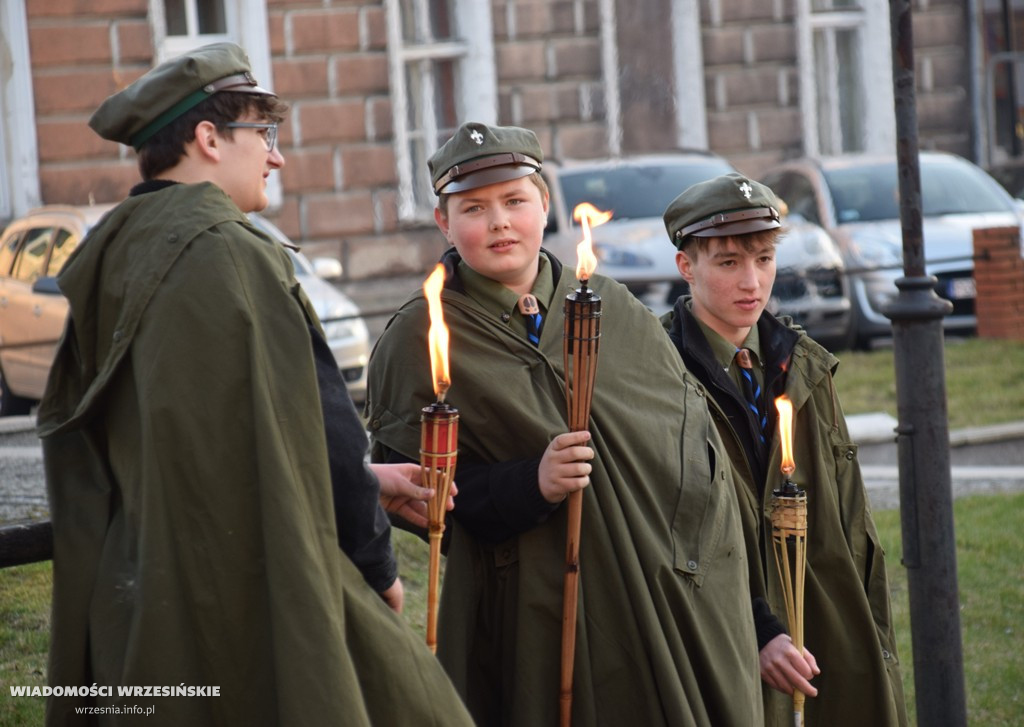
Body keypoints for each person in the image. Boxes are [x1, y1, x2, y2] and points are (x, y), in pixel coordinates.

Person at [36, 42, 474, 726]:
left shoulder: (114, 254)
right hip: (257, 584)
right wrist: (376, 564)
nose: (277, 156)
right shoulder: (233, 254)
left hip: (144, 590)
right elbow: (322, 425)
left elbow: (217, 432)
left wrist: (365, 475)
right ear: (208, 138)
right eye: (263, 133)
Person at [365, 121, 762, 727]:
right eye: (474, 208)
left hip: (649, 596)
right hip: (522, 606)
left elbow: (688, 450)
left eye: (515, 201)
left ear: (544, 205)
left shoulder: (615, 310)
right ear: (444, 223)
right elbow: (415, 499)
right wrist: (530, 484)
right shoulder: (420, 337)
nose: (499, 222)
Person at [660, 173, 908, 726]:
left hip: (821, 614)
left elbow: (848, 521)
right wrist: (755, 625)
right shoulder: (659, 373)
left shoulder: (804, 366)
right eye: (727, 263)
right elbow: (666, 527)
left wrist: (864, 628)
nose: (752, 281)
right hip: (718, 623)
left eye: (765, 259)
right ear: (686, 267)